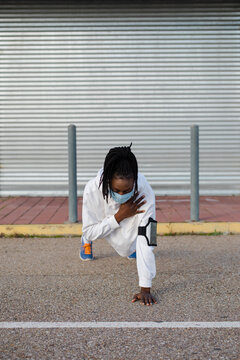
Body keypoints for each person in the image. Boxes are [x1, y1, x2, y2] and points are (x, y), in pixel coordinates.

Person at [80, 144, 157, 306]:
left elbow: (148, 237)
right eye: (117, 190)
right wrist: (119, 216)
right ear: (108, 180)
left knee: (129, 248)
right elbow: (89, 231)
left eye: (127, 190)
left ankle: (132, 247)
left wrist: (145, 288)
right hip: (103, 218)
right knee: (90, 233)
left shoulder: (145, 190)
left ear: (134, 180)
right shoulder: (91, 189)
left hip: (129, 213)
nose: (121, 194)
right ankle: (85, 244)